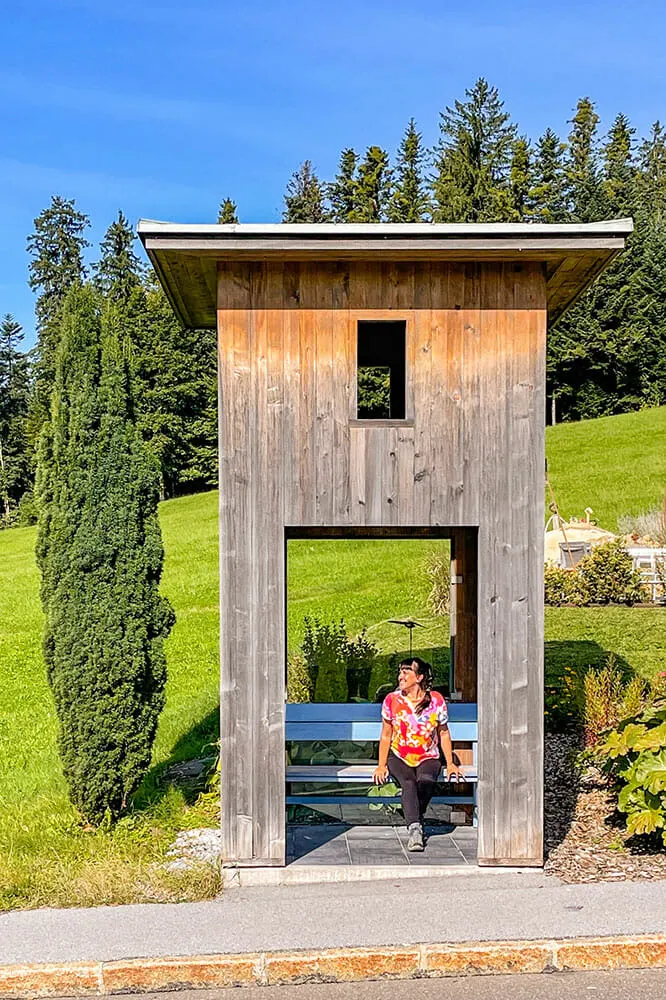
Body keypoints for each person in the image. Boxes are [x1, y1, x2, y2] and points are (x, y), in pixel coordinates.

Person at [373, 657, 462, 851]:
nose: (401, 676)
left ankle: (411, 811)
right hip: (399, 755)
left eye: (406, 672)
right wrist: (381, 765)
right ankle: (415, 829)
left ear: (419, 677)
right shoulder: (392, 700)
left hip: (428, 755)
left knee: (426, 781)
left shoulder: (436, 700)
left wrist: (450, 763)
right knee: (408, 782)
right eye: (400, 672)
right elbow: (386, 735)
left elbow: (443, 733)